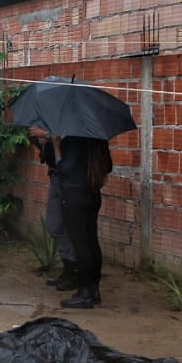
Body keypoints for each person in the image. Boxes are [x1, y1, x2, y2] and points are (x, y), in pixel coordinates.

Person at [53, 135, 113, 309]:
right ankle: (94, 290)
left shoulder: (73, 140)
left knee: (80, 245)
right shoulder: (99, 140)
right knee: (92, 242)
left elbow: (64, 168)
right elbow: (108, 167)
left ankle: (84, 292)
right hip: (92, 195)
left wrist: (57, 148)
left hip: (74, 196)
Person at [29, 126, 78, 289]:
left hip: (70, 180)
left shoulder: (69, 120)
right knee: (54, 224)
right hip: (56, 176)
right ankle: (69, 268)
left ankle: (73, 271)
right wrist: (39, 141)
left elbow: (66, 138)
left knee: (69, 226)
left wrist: (45, 134)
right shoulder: (51, 119)